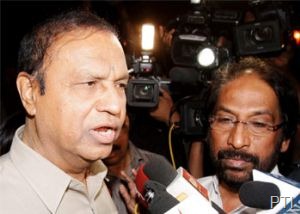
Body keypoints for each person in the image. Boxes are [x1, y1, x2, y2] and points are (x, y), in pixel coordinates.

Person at [0, 10, 130, 213]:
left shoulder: (98, 178)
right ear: (30, 93)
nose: (115, 106)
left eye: (121, 85)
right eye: (90, 83)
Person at [198, 57, 299, 213]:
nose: (237, 141)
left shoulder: (293, 204)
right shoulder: (180, 196)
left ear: (285, 139)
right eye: (225, 120)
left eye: (258, 124)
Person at [103, 114, 170, 214]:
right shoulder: (86, 178)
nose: (110, 141)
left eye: (113, 130)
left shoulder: (156, 165)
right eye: (102, 133)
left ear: (126, 122)